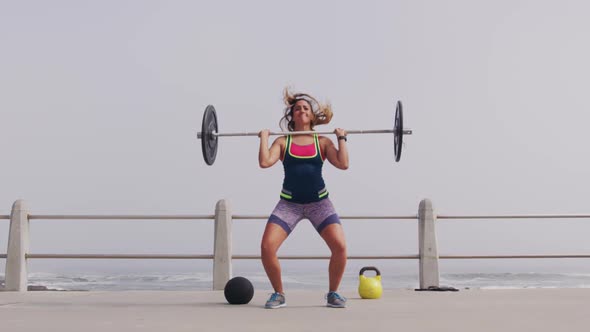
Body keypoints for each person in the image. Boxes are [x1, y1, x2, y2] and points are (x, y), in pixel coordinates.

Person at [258, 88, 349, 309]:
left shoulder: (323, 141)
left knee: (340, 246)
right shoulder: (282, 142)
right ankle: (279, 294)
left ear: (311, 116)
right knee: (267, 247)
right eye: (297, 108)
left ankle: (333, 294)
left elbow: (343, 164)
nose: (301, 110)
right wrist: (263, 138)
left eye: (305, 108)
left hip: (320, 203)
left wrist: (342, 138)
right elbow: (264, 162)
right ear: (293, 116)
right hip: (289, 204)